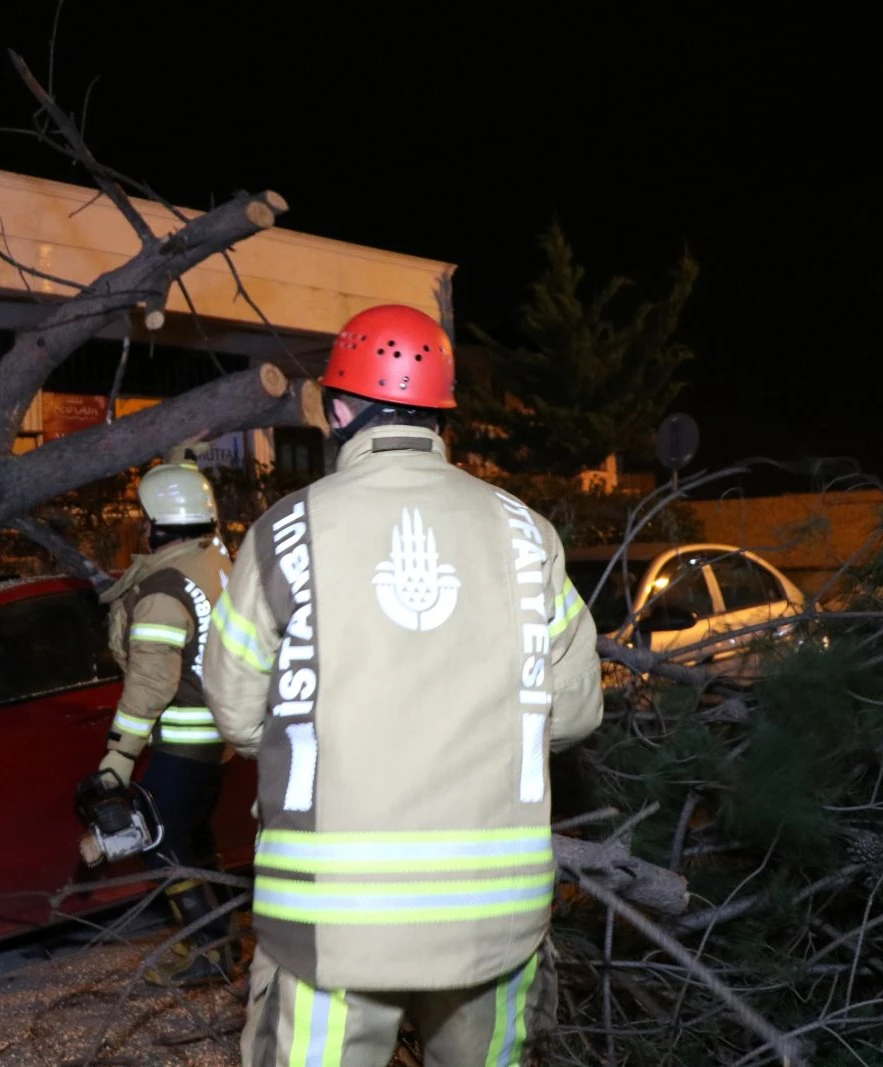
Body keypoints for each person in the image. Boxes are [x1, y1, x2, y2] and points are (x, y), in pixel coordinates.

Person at [203, 304, 603, 1066]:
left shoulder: (285, 531)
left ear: (339, 407)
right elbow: (577, 708)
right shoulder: (528, 533)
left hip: (330, 916)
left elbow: (234, 708)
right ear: (443, 413)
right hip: (499, 912)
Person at [93, 447, 236, 986]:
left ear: (156, 525)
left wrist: (119, 757)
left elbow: (151, 685)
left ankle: (206, 952)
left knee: (161, 844)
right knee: (193, 841)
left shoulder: (162, 593)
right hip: (217, 742)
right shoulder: (214, 564)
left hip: (184, 742)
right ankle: (222, 944)